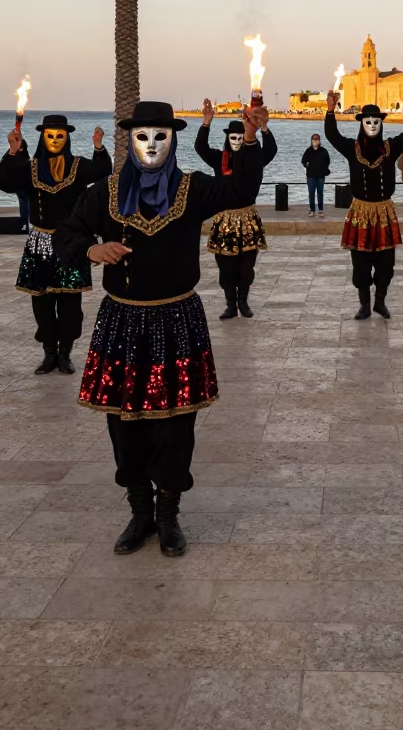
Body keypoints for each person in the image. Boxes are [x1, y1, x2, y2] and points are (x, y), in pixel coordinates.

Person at [53, 99, 265, 558]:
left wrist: (249, 139)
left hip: (176, 319)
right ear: (129, 140)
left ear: (174, 140)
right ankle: (139, 513)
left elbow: (242, 191)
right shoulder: (105, 192)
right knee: (124, 421)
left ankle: (168, 514)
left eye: (161, 136)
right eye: (142, 136)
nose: (151, 145)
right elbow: (66, 233)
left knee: (175, 420)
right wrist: (92, 251)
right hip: (122, 320)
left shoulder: (193, 189)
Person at [0, 115, 111, 375]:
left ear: (67, 138)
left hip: (71, 243)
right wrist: (13, 151)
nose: (54, 140)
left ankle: (65, 353)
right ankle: (49, 353)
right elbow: (5, 183)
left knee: (71, 301)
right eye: (49, 135)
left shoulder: (78, 165)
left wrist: (98, 147)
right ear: (42, 137)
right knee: (42, 301)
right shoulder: (30, 167)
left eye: (59, 135)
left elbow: (103, 172)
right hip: (40, 242)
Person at [325, 85, 403, 319]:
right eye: (367, 122)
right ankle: (364, 305)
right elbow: (332, 136)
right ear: (361, 124)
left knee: (386, 262)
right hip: (360, 211)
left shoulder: (390, 148)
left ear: (381, 123)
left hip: (384, 212)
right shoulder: (352, 148)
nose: (371, 126)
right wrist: (330, 111)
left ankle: (380, 301)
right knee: (360, 261)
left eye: (375, 122)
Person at [194, 108, 277, 319]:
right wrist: (206, 122)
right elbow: (200, 147)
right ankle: (230, 304)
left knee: (246, 266)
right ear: (227, 139)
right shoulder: (218, 159)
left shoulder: (255, 159)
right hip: (224, 219)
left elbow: (271, 150)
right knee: (226, 267)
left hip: (247, 218)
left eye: (241, 137)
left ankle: (243, 302)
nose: (237, 141)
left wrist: (264, 128)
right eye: (233, 137)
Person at [302, 133, 331, 217]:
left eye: (317, 139)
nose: (315, 141)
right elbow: (303, 160)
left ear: (319, 140)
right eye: (314, 139)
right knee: (311, 193)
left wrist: (324, 168)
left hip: (321, 176)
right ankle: (312, 210)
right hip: (311, 176)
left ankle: (321, 210)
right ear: (311, 140)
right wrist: (306, 165)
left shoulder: (324, 151)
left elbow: (327, 161)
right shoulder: (308, 151)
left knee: (320, 193)